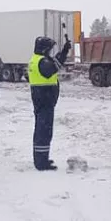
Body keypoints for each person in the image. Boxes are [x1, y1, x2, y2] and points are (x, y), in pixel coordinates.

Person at [28, 36, 71, 171]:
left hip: (42, 99)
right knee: (44, 132)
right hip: (44, 99)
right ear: (44, 49)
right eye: (50, 48)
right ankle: (41, 163)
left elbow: (53, 63)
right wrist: (64, 52)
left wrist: (63, 52)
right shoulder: (41, 62)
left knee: (42, 131)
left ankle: (42, 158)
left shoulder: (37, 60)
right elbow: (53, 68)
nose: (51, 51)